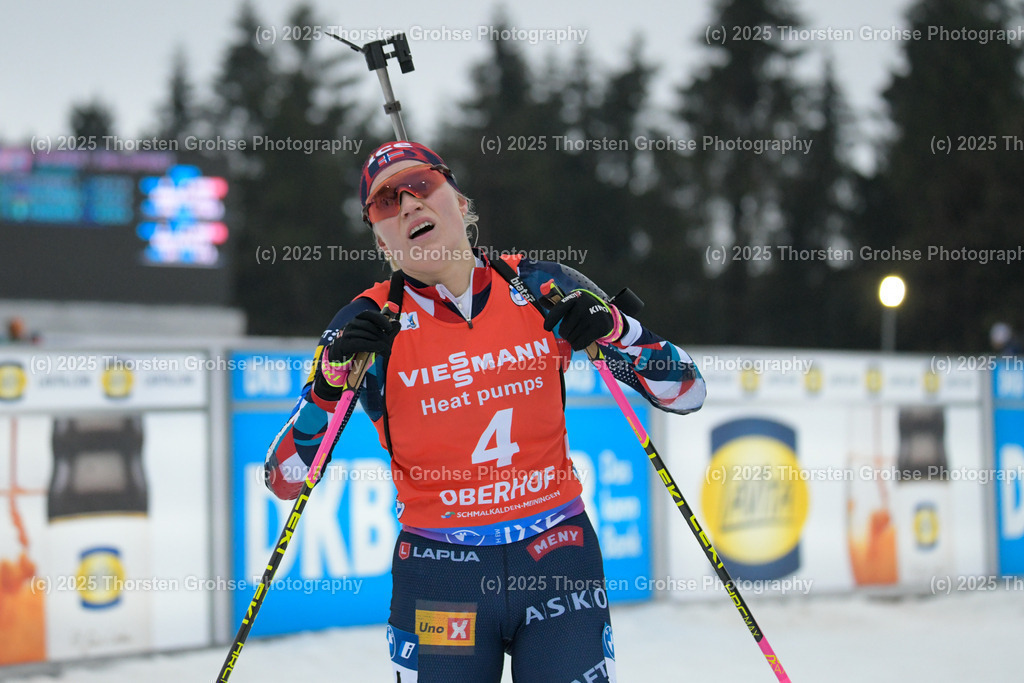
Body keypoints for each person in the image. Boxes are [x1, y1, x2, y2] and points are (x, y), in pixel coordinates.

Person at [264, 140, 706, 682]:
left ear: (462, 203)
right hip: (441, 574)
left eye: (422, 186)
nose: (408, 205)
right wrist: (329, 387)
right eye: (385, 203)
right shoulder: (368, 321)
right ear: (379, 239)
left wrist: (619, 332)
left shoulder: (541, 287)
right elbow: (286, 478)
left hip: (557, 556)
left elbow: (687, 392)